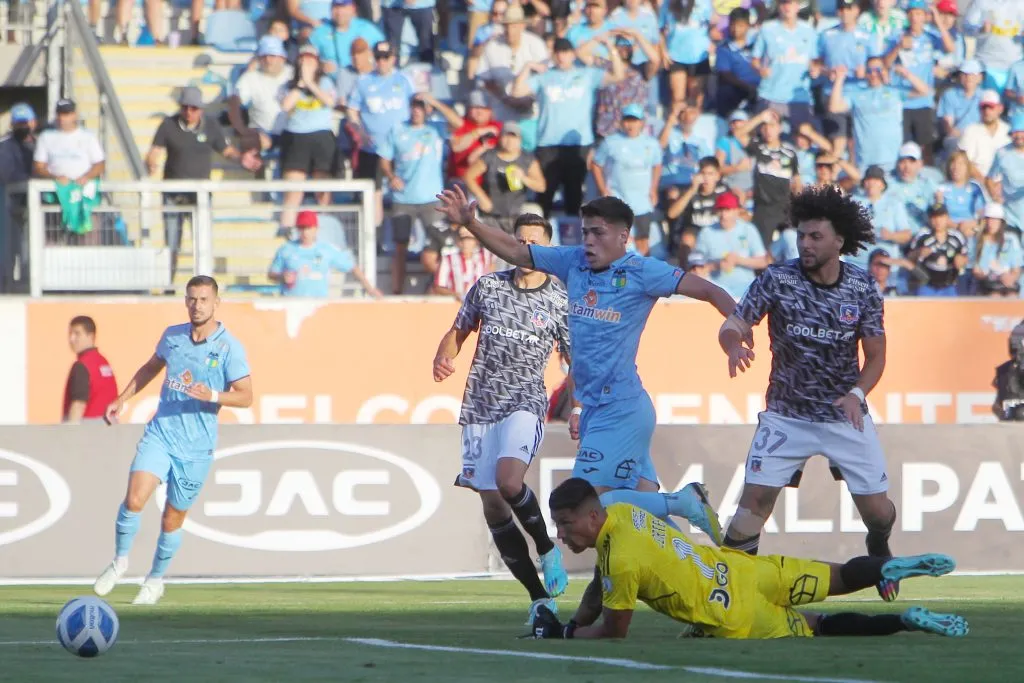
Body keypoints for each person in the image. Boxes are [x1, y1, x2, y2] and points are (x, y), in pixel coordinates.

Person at [435, 187, 728, 545]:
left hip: (620, 408)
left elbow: (710, 290)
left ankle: (683, 500)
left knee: (591, 507)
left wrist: (737, 324)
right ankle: (705, 575)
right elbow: (514, 249)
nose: (588, 240)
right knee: (645, 524)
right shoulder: (572, 261)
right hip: (597, 409)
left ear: (623, 237)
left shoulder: (642, 271)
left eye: (598, 232)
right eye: (585, 231)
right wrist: (471, 223)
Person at [717, 185, 903, 603]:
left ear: (839, 240)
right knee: (752, 508)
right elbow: (734, 322)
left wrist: (857, 393)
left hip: (844, 415)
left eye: (815, 236)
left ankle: (879, 543)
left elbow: (875, 356)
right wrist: (733, 342)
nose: (805, 244)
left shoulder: (863, 287)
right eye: (801, 235)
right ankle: (723, 595)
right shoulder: (777, 279)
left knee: (877, 513)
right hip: (787, 414)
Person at [529, 477, 969, 641]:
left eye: (566, 525)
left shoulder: (621, 563)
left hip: (735, 614)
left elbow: (614, 629)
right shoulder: (624, 514)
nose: (561, 535)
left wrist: (566, 635)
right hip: (745, 570)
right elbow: (597, 587)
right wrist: (575, 620)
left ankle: (907, 619)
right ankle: (889, 566)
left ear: (591, 516)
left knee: (822, 626)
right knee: (839, 575)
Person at [432, 213, 573, 620]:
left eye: (536, 243)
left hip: (525, 401)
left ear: (547, 248)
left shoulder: (559, 298)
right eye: (521, 241)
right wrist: (444, 355)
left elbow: (574, 358)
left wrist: (577, 405)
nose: (527, 250)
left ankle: (547, 550)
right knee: (494, 506)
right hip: (480, 406)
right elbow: (459, 330)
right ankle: (538, 598)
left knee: (510, 481)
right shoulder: (488, 287)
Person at [93, 276, 252, 605]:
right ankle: (120, 562)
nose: (197, 305)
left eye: (204, 299)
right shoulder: (173, 336)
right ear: (185, 301)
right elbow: (151, 367)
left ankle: (155, 579)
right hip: (162, 432)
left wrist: (213, 394)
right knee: (135, 499)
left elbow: (247, 396)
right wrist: (122, 399)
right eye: (192, 299)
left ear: (216, 303)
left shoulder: (229, 347)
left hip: (196, 447)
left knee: (172, 518)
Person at [590, 103, 662, 256]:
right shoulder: (610, 142)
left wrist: (653, 188)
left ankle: (641, 275)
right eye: (628, 120)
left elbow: (657, 165)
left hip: (642, 202)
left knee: (642, 241)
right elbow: (596, 164)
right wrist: (603, 189)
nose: (631, 125)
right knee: (617, 240)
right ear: (622, 122)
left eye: (635, 120)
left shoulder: (652, 144)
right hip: (618, 201)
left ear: (641, 122)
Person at [268, 210, 382, 298]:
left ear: (316, 229)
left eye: (308, 228)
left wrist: (370, 289)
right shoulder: (286, 249)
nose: (305, 232)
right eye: (302, 228)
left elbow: (352, 267)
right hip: (291, 303)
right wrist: (282, 277)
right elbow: (272, 274)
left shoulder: (326, 250)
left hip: (318, 304)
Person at [63, 316, 118, 424]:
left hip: (87, 431)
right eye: (70, 333)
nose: (72, 339)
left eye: (77, 334)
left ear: (91, 336)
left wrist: (68, 435)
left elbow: (78, 405)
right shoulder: (103, 362)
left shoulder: (82, 365)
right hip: (110, 428)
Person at [908, 203, 968, 297]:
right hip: (926, 286)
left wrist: (960, 260)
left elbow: (964, 256)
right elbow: (909, 256)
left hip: (949, 286)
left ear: (947, 217)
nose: (938, 221)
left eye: (941, 217)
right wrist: (919, 253)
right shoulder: (922, 236)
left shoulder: (957, 237)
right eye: (934, 217)